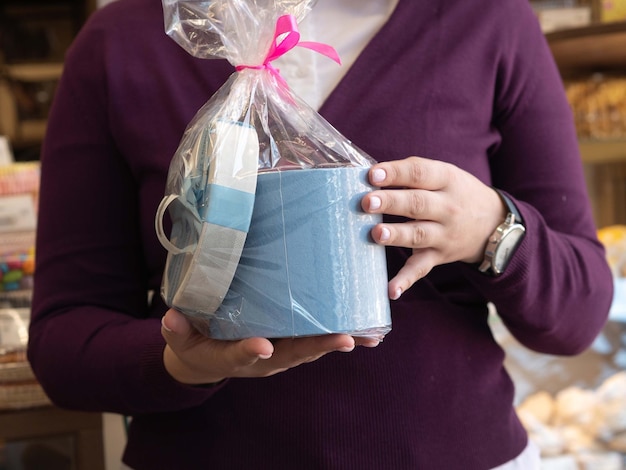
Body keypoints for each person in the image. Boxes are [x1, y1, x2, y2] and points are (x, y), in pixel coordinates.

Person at [27, 0, 614, 468]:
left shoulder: (484, 20)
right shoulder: (121, 43)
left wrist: (494, 229)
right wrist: (182, 364)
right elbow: (63, 343)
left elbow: (579, 313)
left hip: (455, 451)